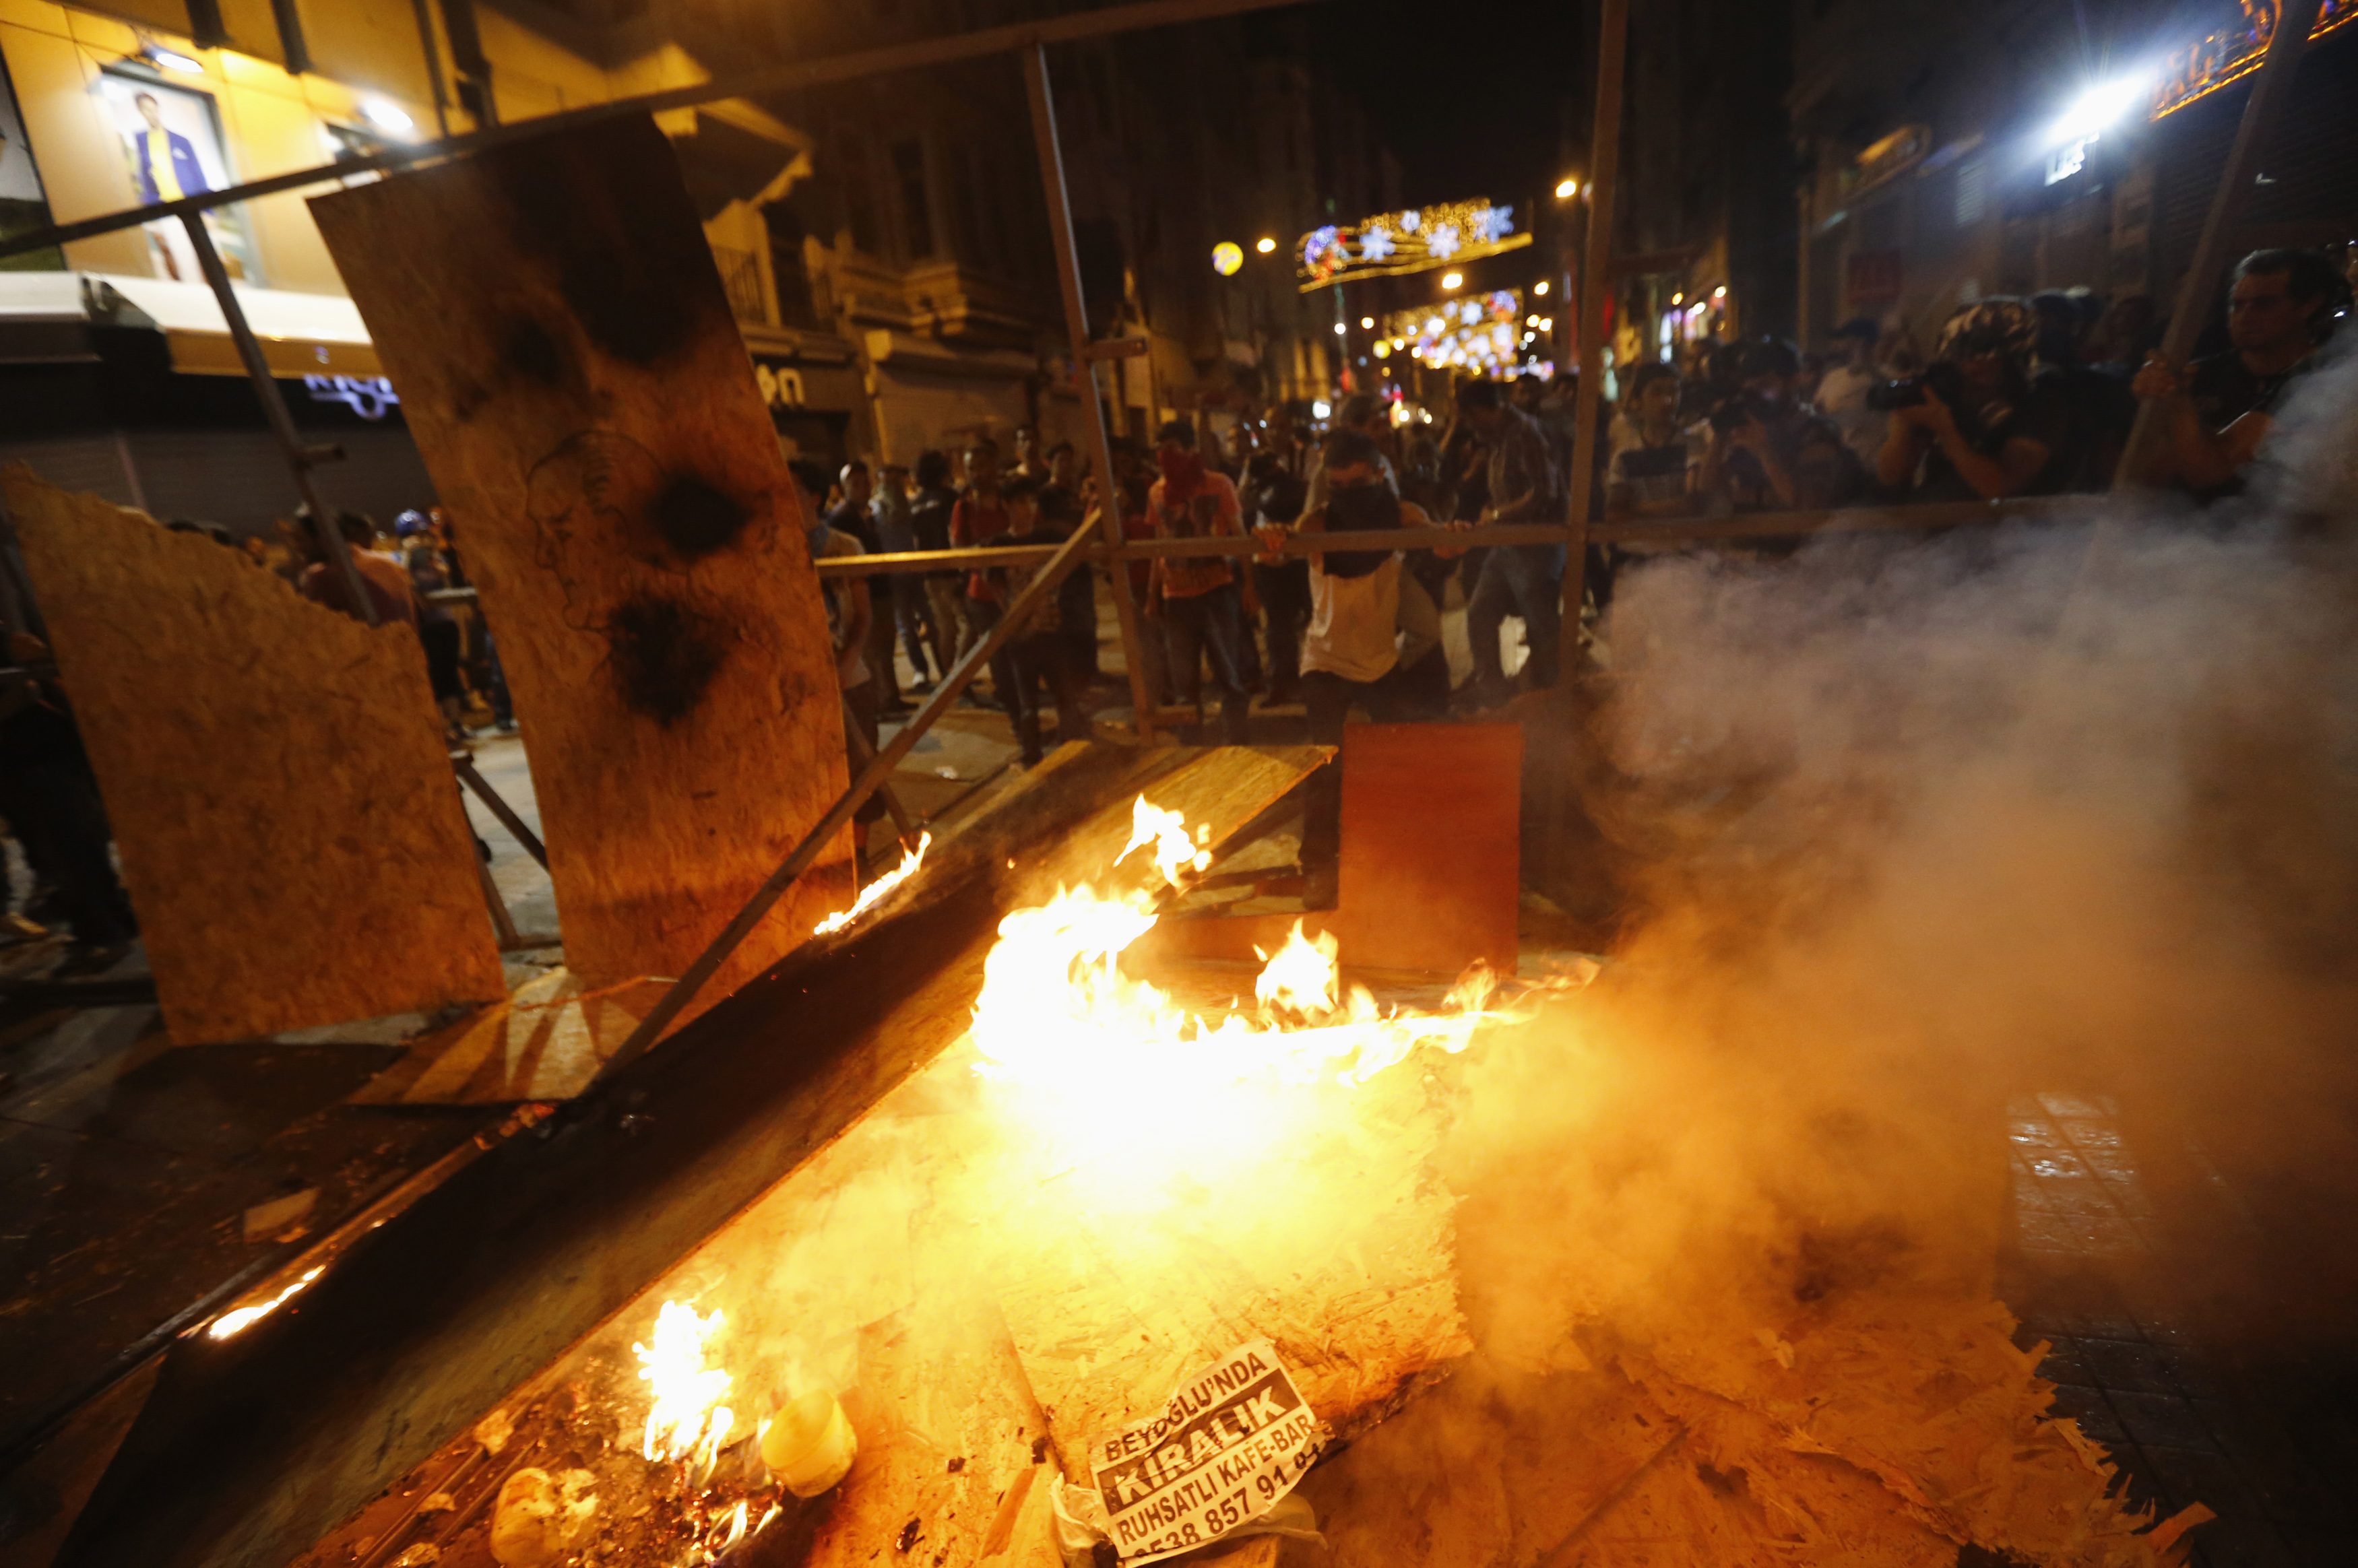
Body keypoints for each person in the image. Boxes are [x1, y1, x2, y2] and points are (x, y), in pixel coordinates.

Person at [1256, 428, 1448, 906]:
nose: (1347, 496)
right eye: (1337, 486)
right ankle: (1319, 865)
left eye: (1358, 484)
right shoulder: (1319, 524)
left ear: (1381, 476)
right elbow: (1276, 555)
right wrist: (1275, 541)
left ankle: (1398, 858)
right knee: (1326, 764)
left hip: (1379, 660)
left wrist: (1456, 537)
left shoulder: (1403, 517)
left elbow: (1440, 545)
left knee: (1398, 760)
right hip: (1324, 660)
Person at [2131, 248, 2343, 499]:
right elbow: (2145, 483)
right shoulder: (2200, 375)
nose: (2245, 317)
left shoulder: (2328, 380)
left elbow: (2212, 474)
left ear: (2308, 306)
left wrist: (2178, 407)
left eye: (2264, 304)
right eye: (2237, 305)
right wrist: (2156, 408)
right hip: (2187, 532)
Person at [0, 630, 137, 953]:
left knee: (76, 833)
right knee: (66, 835)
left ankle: (107, 921)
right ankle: (103, 924)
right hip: (22, 737)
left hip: (41, 730)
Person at [1878, 299, 2077, 503]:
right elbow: (1890, 477)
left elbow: (1999, 489)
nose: (1971, 365)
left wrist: (1946, 430)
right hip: (1937, 523)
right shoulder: (1948, 388)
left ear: (2014, 358)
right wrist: (1903, 422)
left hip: (2016, 529)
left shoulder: (2043, 400)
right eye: (1962, 356)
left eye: (1985, 355)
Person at [791, 458, 887, 846]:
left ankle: (859, 855)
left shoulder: (843, 547)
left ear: (813, 497)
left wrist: (846, 665)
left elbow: (863, 617)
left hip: (850, 680)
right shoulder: (767, 550)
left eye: (791, 490)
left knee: (860, 774)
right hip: (797, 686)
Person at [1455, 378, 1561, 705]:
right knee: (1480, 613)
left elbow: (1544, 492)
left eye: (1471, 417)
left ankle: (1549, 697)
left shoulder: (1525, 434)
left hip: (1534, 544)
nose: (1470, 425)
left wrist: (1498, 515)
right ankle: (1495, 694)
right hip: (1507, 544)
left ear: (1487, 410)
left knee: (1540, 625)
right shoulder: (1500, 438)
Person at [1145, 419, 1251, 743]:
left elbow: (1241, 538)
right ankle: (1192, 753)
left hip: (1217, 592)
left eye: (1172, 450)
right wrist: (1153, 596)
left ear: (1191, 450)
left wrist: (1249, 587)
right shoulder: (1158, 491)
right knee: (1184, 685)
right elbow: (1157, 547)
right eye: (1160, 451)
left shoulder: (1218, 485)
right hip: (1177, 597)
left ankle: (1239, 748)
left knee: (1230, 677)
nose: (1165, 457)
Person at [1698, 335, 1863, 513]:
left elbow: (1809, 507)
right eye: (1749, 389)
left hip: (1804, 540)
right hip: (1750, 537)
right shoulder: (1751, 429)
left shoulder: (1818, 432)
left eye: (1764, 385)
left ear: (1795, 381)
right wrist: (1720, 436)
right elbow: (1707, 498)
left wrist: (1765, 453)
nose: (1755, 397)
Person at [995, 475, 1090, 764]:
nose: (1028, 508)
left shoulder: (1047, 538)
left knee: (1065, 696)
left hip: (1051, 629)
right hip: (1021, 635)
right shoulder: (999, 545)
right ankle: (1032, 756)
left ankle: (1072, 753)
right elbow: (997, 589)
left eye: (1032, 501)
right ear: (1008, 506)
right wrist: (1014, 622)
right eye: (1021, 502)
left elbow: (1079, 542)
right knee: (1028, 704)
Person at [949, 438, 1019, 711]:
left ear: (995, 466)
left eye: (982, 466)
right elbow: (958, 550)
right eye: (971, 468)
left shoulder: (1009, 499)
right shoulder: (963, 508)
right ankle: (1009, 700)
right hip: (983, 592)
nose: (977, 474)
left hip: (1016, 587)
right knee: (997, 652)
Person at [1241, 449, 1310, 705]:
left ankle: (1311, 683)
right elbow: (1247, 516)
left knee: (1306, 625)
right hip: (1271, 566)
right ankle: (1284, 683)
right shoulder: (1259, 490)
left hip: (1300, 563)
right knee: (1279, 629)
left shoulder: (1293, 488)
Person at [397, 509, 469, 741]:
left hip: (444, 621)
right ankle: (440, 729)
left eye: (423, 533)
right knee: (432, 676)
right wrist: (408, 555)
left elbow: (446, 577)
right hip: (423, 626)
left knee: (449, 674)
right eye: (416, 534)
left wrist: (433, 556)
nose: (421, 538)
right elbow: (401, 582)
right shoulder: (399, 560)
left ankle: (456, 724)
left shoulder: (434, 558)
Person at [1037, 441, 1101, 684]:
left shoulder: (1077, 493)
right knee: (1063, 620)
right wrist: (1057, 527)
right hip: (1058, 565)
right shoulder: (1045, 495)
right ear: (1050, 463)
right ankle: (1068, 674)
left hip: (1080, 563)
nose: (1067, 465)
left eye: (1070, 460)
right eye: (1061, 460)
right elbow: (1039, 525)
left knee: (1087, 618)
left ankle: (1089, 669)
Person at [299, 510, 417, 628]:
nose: (300, 548)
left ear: (321, 539)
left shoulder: (322, 577)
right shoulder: (389, 563)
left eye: (301, 539)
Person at [906, 450, 964, 682]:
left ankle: (950, 676)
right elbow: (955, 534)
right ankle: (960, 673)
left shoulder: (915, 504)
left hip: (930, 573)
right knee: (967, 623)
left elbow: (917, 540)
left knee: (945, 627)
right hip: (952, 569)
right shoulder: (950, 497)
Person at [1812, 318, 1888, 470]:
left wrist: (1864, 364)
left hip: (1871, 466)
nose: (1836, 344)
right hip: (1838, 469)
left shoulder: (1885, 374)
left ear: (1857, 341)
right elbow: (1817, 412)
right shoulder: (1833, 376)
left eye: (1842, 338)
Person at [128, 92, 206, 207]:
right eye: (147, 110)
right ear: (141, 111)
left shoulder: (181, 141)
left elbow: (197, 174)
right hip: (163, 207)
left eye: (154, 109)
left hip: (189, 203)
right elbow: (144, 174)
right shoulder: (141, 139)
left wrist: (208, 209)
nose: (152, 114)